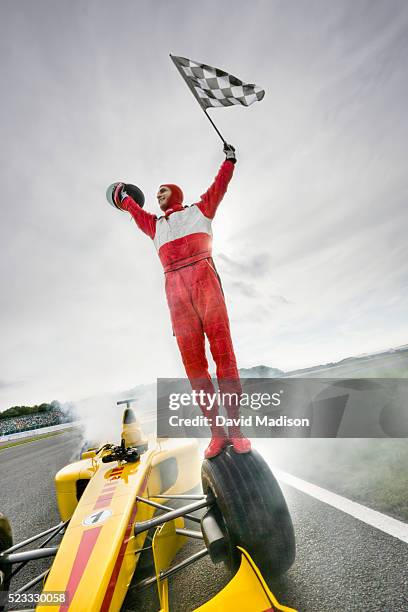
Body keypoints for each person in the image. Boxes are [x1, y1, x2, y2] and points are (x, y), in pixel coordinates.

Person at [110, 143, 251, 458]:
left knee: (224, 359)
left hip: (206, 285)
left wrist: (229, 160)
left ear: (175, 193)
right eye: (156, 192)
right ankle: (217, 434)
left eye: (162, 191)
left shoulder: (200, 210)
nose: (157, 194)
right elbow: (133, 210)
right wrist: (123, 196)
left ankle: (236, 429)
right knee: (195, 370)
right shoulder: (155, 226)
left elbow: (220, 186)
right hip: (176, 295)